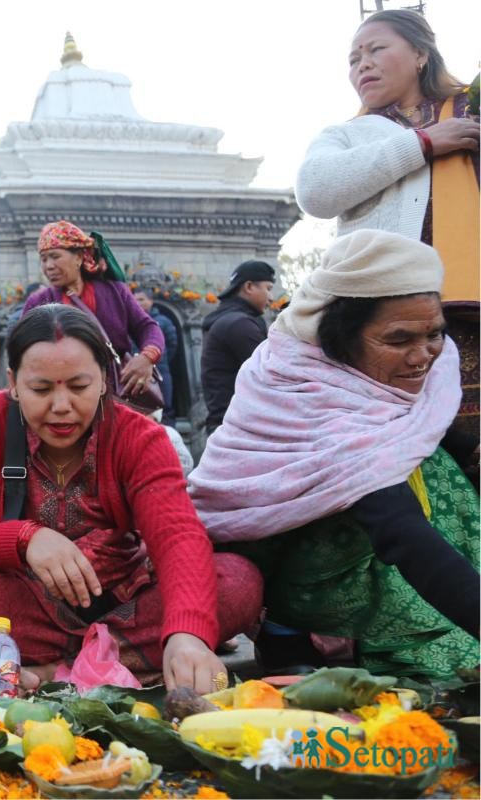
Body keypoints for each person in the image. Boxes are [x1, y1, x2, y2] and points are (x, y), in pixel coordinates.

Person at [0, 304, 262, 691]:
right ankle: (114, 661)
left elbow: (177, 536)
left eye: (79, 387)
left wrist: (187, 633)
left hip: (126, 600)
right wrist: (25, 539)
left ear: (104, 380)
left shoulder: (140, 437)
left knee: (238, 581)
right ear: (13, 383)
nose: (61, 406)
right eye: (41, 389)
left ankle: (52, 669)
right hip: (25, 601)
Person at [189, 230, 479, 679]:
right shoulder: (299, 388)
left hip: (381, 554)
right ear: (343, 338)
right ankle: (288, 630)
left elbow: (424, 431)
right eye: (399, 340)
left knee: (435, 464)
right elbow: (399, 529)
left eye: (435, 334)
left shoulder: (410, 367)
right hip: (301, 573)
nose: (423, 356)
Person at [295, 9, 478, 441]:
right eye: (354, 59)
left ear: (420, 54)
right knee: (408, 448)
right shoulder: (349, 134)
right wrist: (423, 143)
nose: (363, 65)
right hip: (393, 321)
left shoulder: (471, 108)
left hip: (473, 309)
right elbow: (315, 190)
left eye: (376, 49)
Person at [22, 222, 164, 402]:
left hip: (115, 392)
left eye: (55, 256)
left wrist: (147, 358)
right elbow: (23, 350)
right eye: (43, 259)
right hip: (64, 397)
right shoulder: (38, 302)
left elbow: (147, 327)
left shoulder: (115, 291)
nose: (49, 266)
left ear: (79, 257)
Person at [199, 260, 275, 434]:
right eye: (268, 288)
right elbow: (273, 374)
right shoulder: (239, 325)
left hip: (232, 425)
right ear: (249, 287)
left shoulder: (232, 319)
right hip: (239, 429)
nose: (271, 298)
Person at [133, 289, 179, 425]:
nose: (138, 303)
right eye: (135, 300)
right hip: (136, 372)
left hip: (160, 370)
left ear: (151, 301)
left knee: (165, 406)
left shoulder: (163, 321)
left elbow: (172, 344)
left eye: (141, 299)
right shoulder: (131, 322)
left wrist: (159, 359)